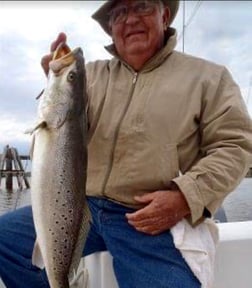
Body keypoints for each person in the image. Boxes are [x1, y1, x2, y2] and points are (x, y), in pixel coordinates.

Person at [0, 0, 252, 287]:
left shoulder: (210, 77)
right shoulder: (89, 76)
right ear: (110, 29)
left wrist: (186, 197)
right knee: (4, 240)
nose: (130, 20)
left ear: (164, 15)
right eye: (118, 14)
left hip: (147, 218)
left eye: (142, 7)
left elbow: (235, 146)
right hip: (82, 206)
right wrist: (55, 80)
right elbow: (60, 123)